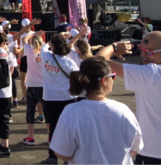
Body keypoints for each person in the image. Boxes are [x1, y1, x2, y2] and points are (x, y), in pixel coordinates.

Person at [50, 57, 142, 164]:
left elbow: (63, 153)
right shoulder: (124, 110)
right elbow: (135, 148)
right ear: (104, 80)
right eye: (113, 76)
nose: (113, 79)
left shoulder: (71, 112)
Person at [97, 32, 161, 164]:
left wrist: (114, 48)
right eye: (141, 50)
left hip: (153, 152)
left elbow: (98, 61)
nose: (143, 55)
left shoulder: (151, 74)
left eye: (149, 52)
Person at [39, 34, 79, 164]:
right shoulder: (70, 62)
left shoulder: (46, 56)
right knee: (69, 129)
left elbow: (43, 47)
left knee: (53, 129)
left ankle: (52, 156)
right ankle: (68, 157)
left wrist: (49, 42)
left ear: (53, 47)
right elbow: (77, 79)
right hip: (68, 98)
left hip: (50, 98)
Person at [19, 32, 45, 145]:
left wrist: (33, 33)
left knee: (30, 111)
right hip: (44, 86)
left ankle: (31, 137)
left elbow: (24, 38)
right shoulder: (46, 53)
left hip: (33, 85)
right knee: (47, 113)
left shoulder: (29, 51)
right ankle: (50, 137)